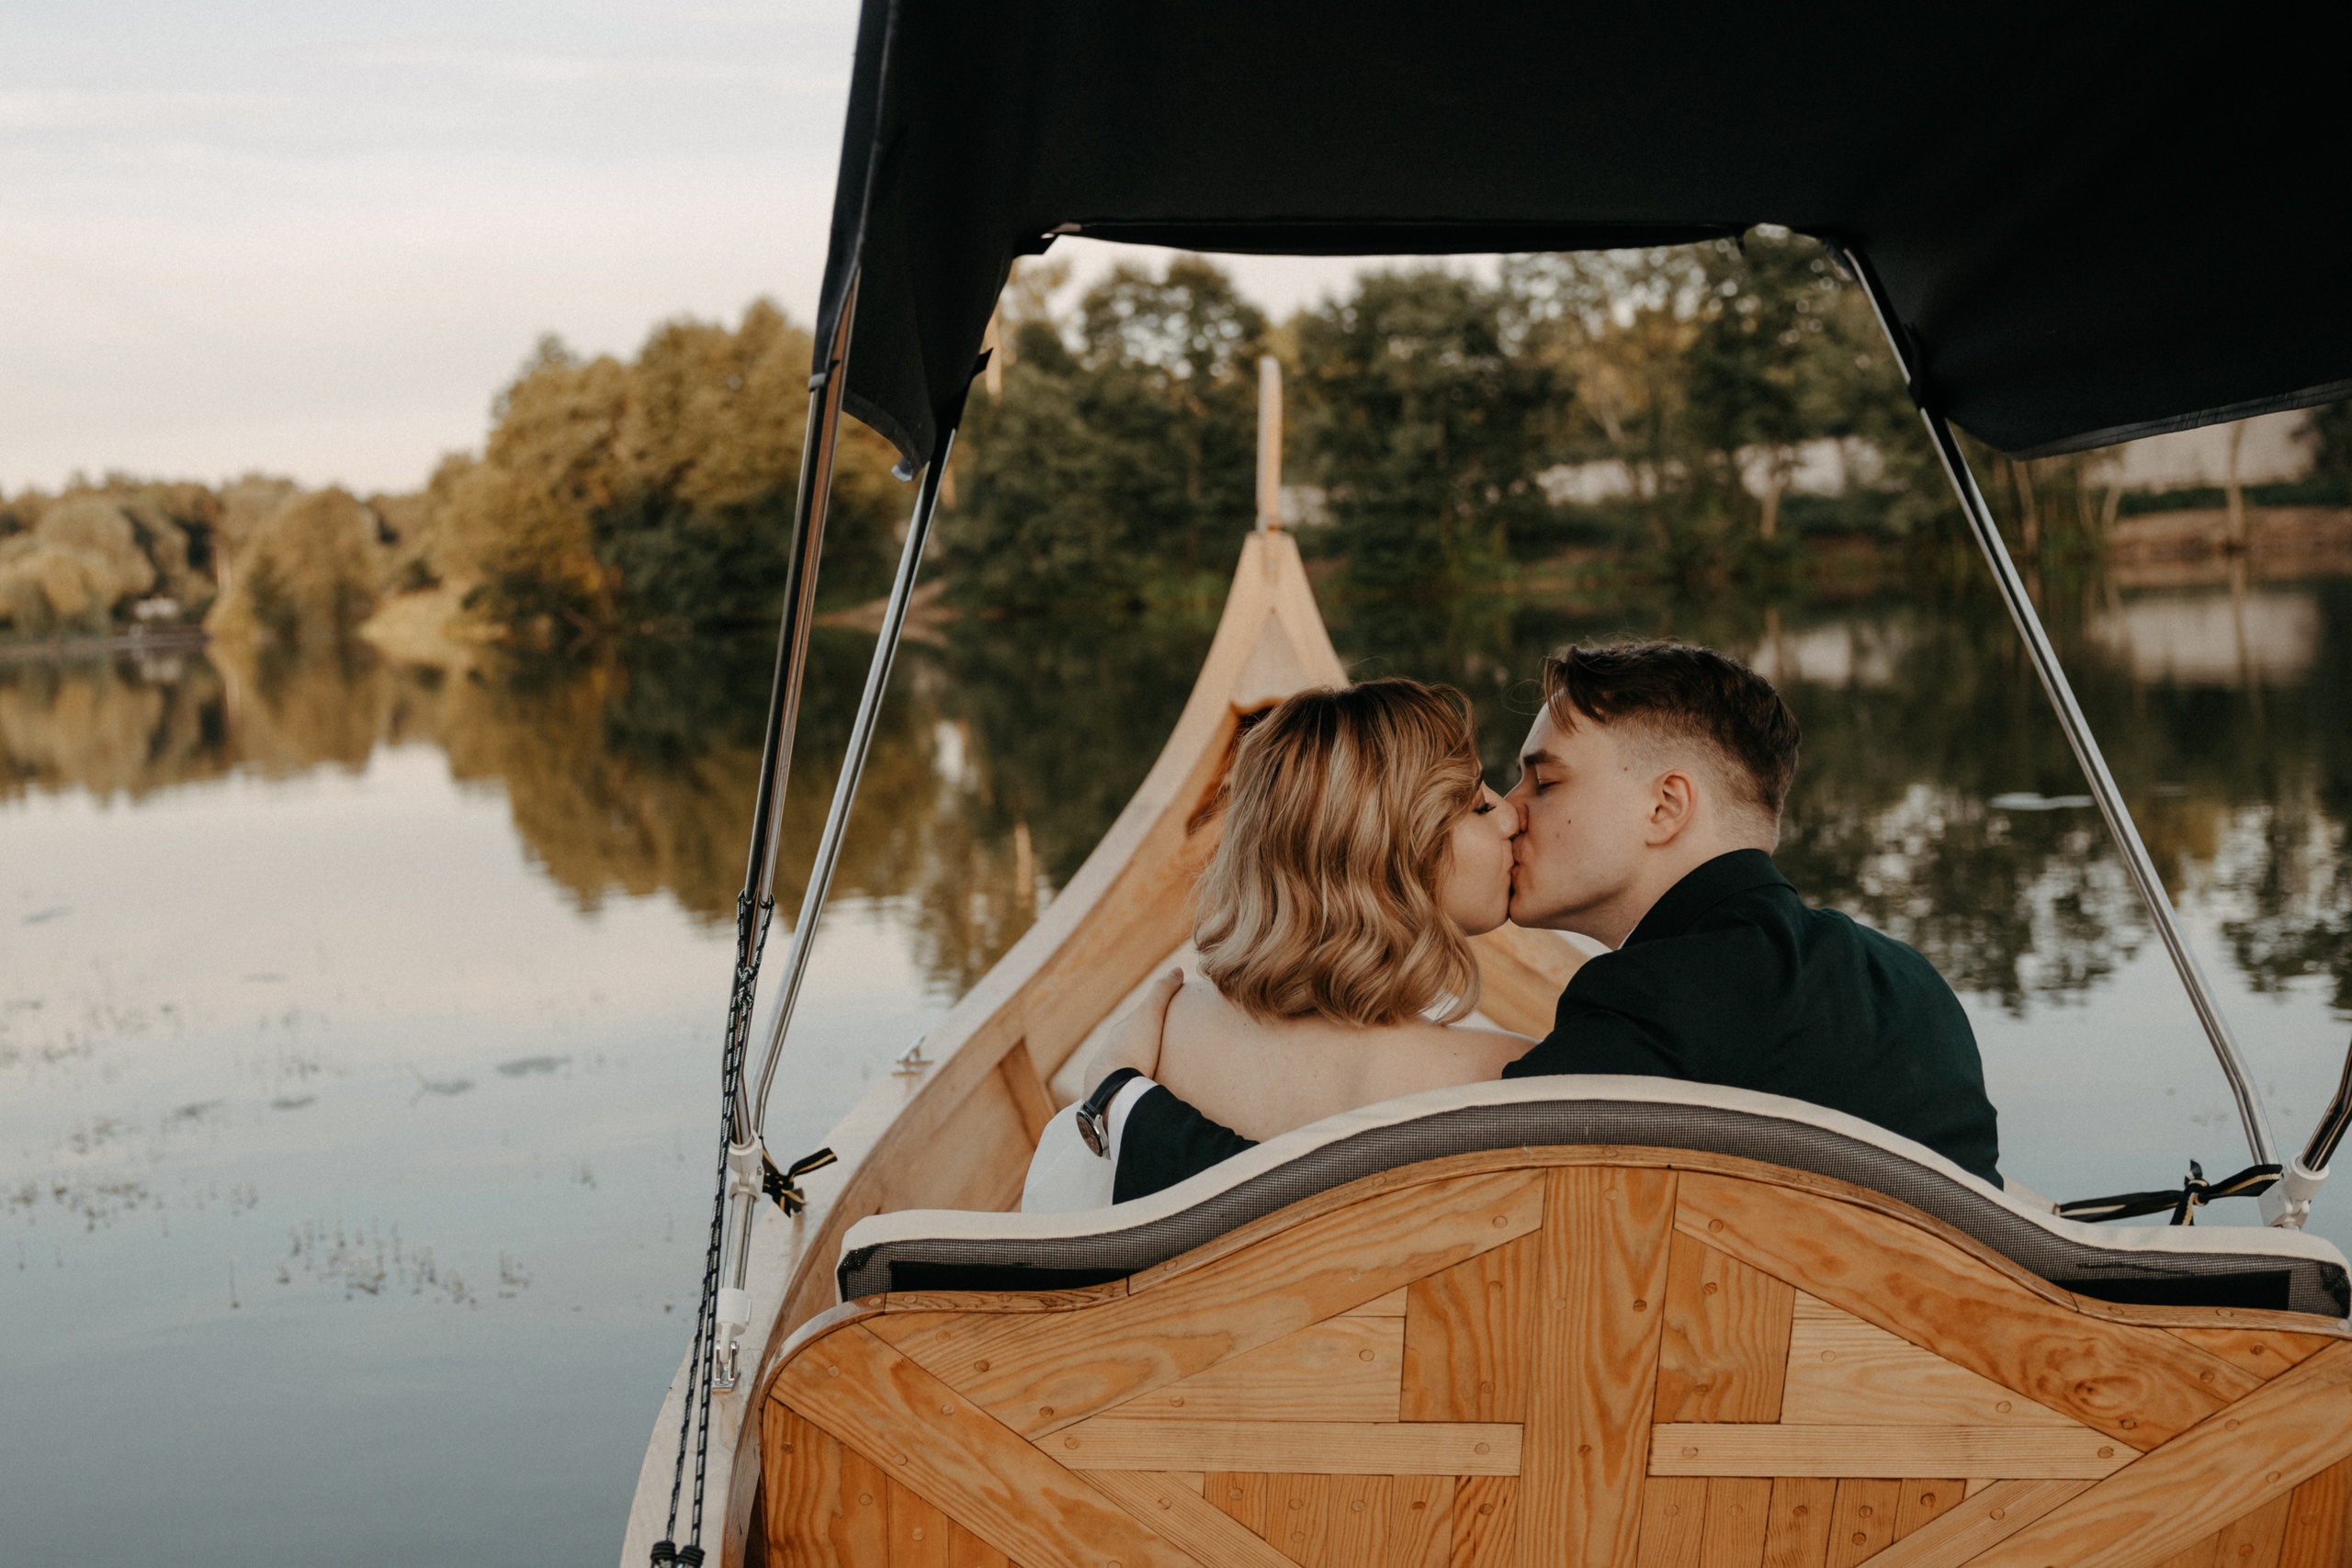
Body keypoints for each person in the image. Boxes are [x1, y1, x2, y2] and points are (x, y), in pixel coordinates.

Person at [1095, 640, 2002, 1202]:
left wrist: (1122, 1104)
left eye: (1545, 779)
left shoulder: (1645, 1006)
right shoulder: (1911, 981)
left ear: (1665, 809)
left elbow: (1333, 1226)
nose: (1516, 811)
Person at [1023, 679, 1533, 1213]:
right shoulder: (1510, 1077)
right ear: (1394, 856)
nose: (1511, 816)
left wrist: (1115, 1094)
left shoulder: (1158, 1039)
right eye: (1477, 806)